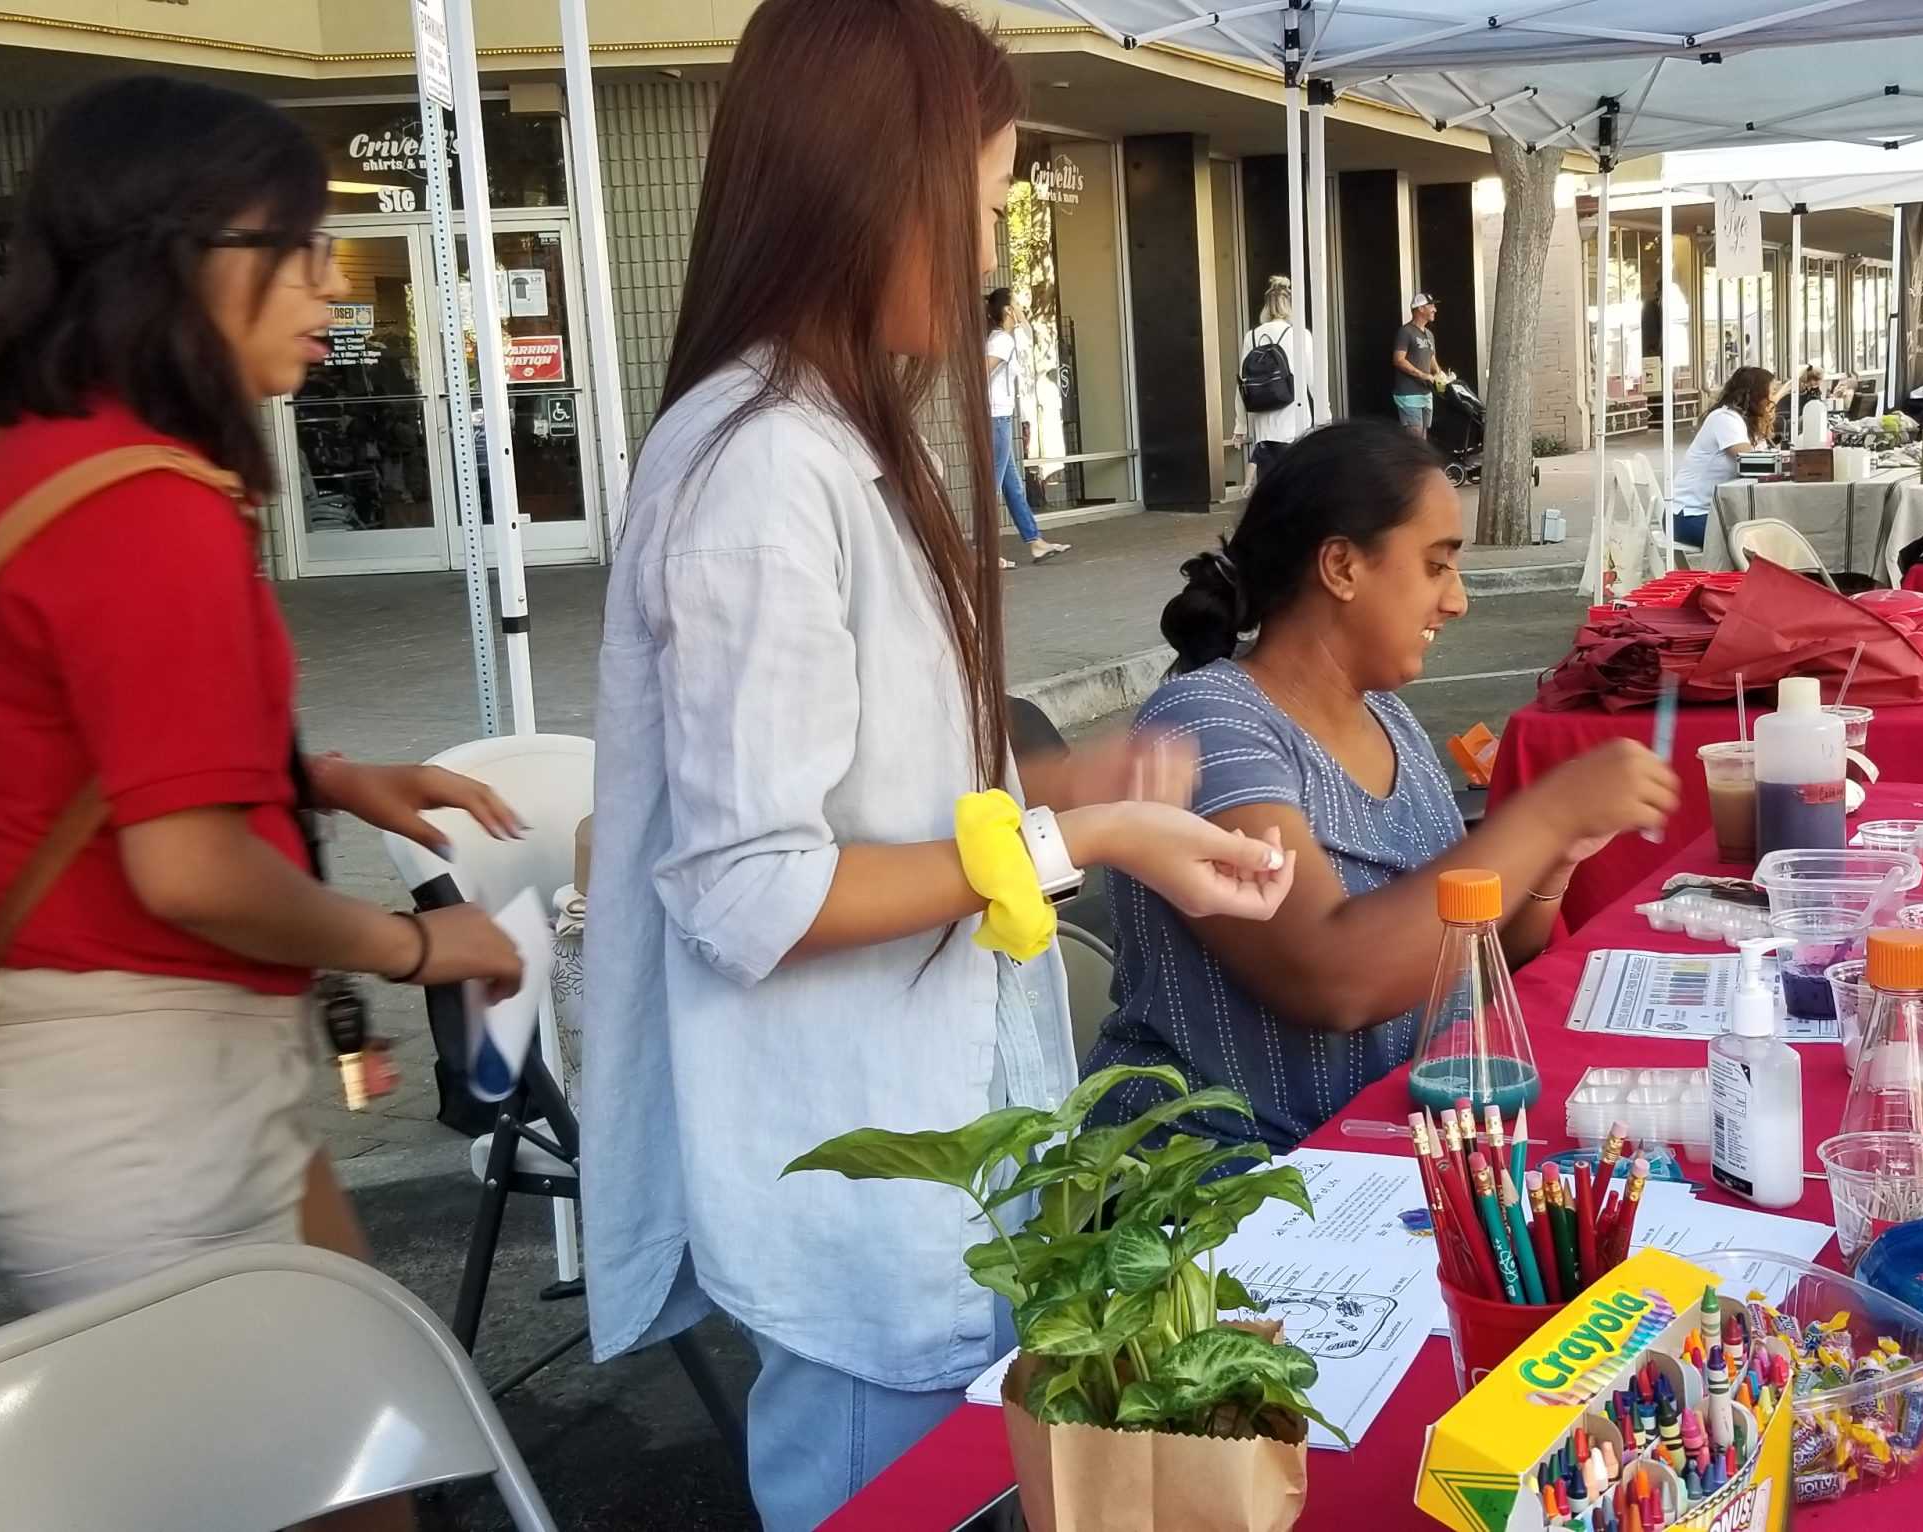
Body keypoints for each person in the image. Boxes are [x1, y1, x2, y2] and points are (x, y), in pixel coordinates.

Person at [577, 6, 1295, 1526]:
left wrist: (1067, 782)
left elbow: (878, 797)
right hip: (861, 1180)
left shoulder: (832, 438)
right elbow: (752, 890)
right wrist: (1085, 839)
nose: (990, 259)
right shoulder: (761, 466)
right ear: (864, 188)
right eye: (978, 208)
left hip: (940, 1142)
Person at [0, 77, 527, 1532]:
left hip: (122, 1077)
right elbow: (189, 869)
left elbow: (92, 749)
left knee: (369, 1457)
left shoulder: (48, 452)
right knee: (339, 1496)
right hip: (140, 1093)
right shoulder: (146, 503)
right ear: (177, 251)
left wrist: (317, 776)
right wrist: (414, 946)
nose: (334, 282)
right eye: (302, 244)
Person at [1083, 421, 1677, 1151]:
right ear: (1341, 566)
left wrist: (1555, 859)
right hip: (1220, 1188)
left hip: (1382, 1150)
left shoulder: (1389, 720)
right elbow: (1333, 980)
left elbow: (1471, 965)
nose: (1456, 601)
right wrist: (1546, 815)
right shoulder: (1208, 721)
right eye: (1435, 566)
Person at [984, 286, 1066, 568]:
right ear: (1008, 310)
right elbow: (982, 371)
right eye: (1016, 304)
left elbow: (1029, 335)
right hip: (997, 419)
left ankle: (1036, 543)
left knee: (1013, 487)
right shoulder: (1001, 342)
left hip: (1000, 418)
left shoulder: (1007, 337)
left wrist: (1018, 316)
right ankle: (985, 552)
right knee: (992, 487)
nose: (1021, 308)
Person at [1665, 366, 1776, 551]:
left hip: (1706, 512)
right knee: (1755, 542)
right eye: (1771, 393)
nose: (1773, 400)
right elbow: (1750, 460)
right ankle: (1742, 579)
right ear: (1757, 395)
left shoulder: (1740, 422)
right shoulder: (1725, 419)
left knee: (1766, 531)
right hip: (1687, 515)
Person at [1242, 274, 1315, 479]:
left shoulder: (1252, 336)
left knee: (1269, 482)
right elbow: (1313, 379)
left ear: (1266, 305)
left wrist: (1240, 424)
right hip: (1294, 418)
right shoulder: (1300, 334)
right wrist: (1324, 414)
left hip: (1264, 422)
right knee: (1295, 479)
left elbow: (1242, 382)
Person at [1391, 291, 1447, 439]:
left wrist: (1439, 374)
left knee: (1423, 438)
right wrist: (1423, 375)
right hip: (1409, 394)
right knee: (1415, 439)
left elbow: (1431, 358)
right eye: (1431, 306)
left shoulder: (1429, 334)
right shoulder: (1405, 332)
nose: (1435, 309)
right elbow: (1398, 360)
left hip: (1426, 393)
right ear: (1420, 309)